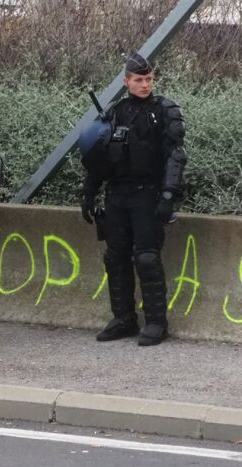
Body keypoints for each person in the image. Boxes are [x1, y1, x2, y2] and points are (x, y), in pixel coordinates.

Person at [80, 53, 187, 346]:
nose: (145, 85)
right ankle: (123, 319)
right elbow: (98, 158)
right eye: (139, 80)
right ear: (127, 81)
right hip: (116, 195)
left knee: (147, 257)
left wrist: (168, 196)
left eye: (149, 79)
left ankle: (155, 322)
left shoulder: (165, 110)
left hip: (146, 194)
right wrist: (89, 192)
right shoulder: (115, 112)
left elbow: (175, 156)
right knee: (115, 258)